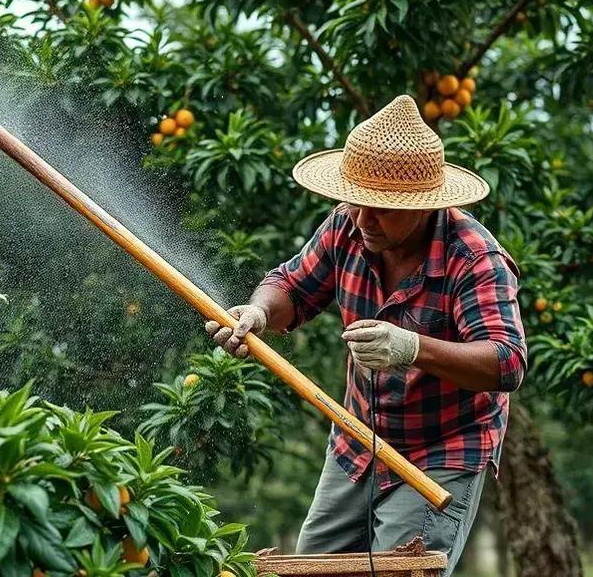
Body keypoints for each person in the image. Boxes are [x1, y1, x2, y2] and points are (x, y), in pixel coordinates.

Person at [204, 95, 526, 576]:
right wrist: (258, 313)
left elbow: (507, 361)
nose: (362, 219)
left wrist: (413, 347)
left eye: (379, 210)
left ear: (421, 206)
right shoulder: (347, 225)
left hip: (442, 447)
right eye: (356, 202)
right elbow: (291, 285)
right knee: (310, 568)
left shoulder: (474, 258)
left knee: (398, 569)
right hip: (360, 435)